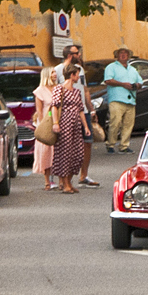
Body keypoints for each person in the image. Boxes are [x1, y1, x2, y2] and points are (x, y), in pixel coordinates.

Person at [53, 44, 99, 187]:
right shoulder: (57, 70)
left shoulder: (80, 70)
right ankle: (63, 180)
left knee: (87, 142)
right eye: (76, 53)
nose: (79, 55)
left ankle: (83, 175)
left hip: (82, 110)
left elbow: (85, 90)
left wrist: (91, 109)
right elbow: (53, 97)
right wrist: (53, 119)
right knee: (66, 147)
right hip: (65, 115)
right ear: (69, 55)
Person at [51, 64, 87, 194]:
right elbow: (54, 106)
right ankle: (65, 183)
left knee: (78, 154)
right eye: (77, 74)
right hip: (64, 123)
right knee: (65, 154)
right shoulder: (59, 89)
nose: (78, 77)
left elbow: (81, 110)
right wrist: (56, 123)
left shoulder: (76, 91)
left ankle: (69, 181)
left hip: (76, 125)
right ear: (72, 75)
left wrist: (86, 126)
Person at [102, 47, 142, 154]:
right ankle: (110, 144)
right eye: (121, 53)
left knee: (128, 124)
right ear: (117, 55)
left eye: (125, 53)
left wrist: (136, 85)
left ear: (129, 56)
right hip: (117, 99)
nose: (123, 55)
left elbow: (140, 82)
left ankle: (124, 145)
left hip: (130, 100)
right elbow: (108, 80)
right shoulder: (111, 67)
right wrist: (123, 84)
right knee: (115, 123)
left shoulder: (132, 69)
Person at [32, 68, 58, 189]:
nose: (55, 74)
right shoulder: (40, 91)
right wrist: (42, 126)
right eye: (52, 72)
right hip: (46, 123)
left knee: (58, 151)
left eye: (55, 72)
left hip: (58, 122)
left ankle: (61, 180)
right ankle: (47, 180)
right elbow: (39, 110)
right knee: (46, 152)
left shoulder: (58, 89)